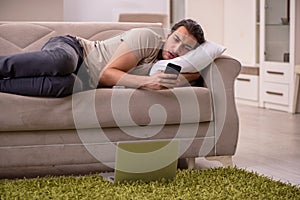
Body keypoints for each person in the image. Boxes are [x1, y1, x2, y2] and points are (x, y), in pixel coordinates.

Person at [0, 19, 205, 97]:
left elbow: (194, 72)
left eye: (186, 47)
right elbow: (107, 75)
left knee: (65, 85)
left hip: (82, 81)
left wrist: (196, 68)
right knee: (63, 63)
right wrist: (146, 82)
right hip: (75, 50)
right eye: (176, 39)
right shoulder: (148, 37)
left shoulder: (174, 65)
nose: (177, 49)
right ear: (168, 35)